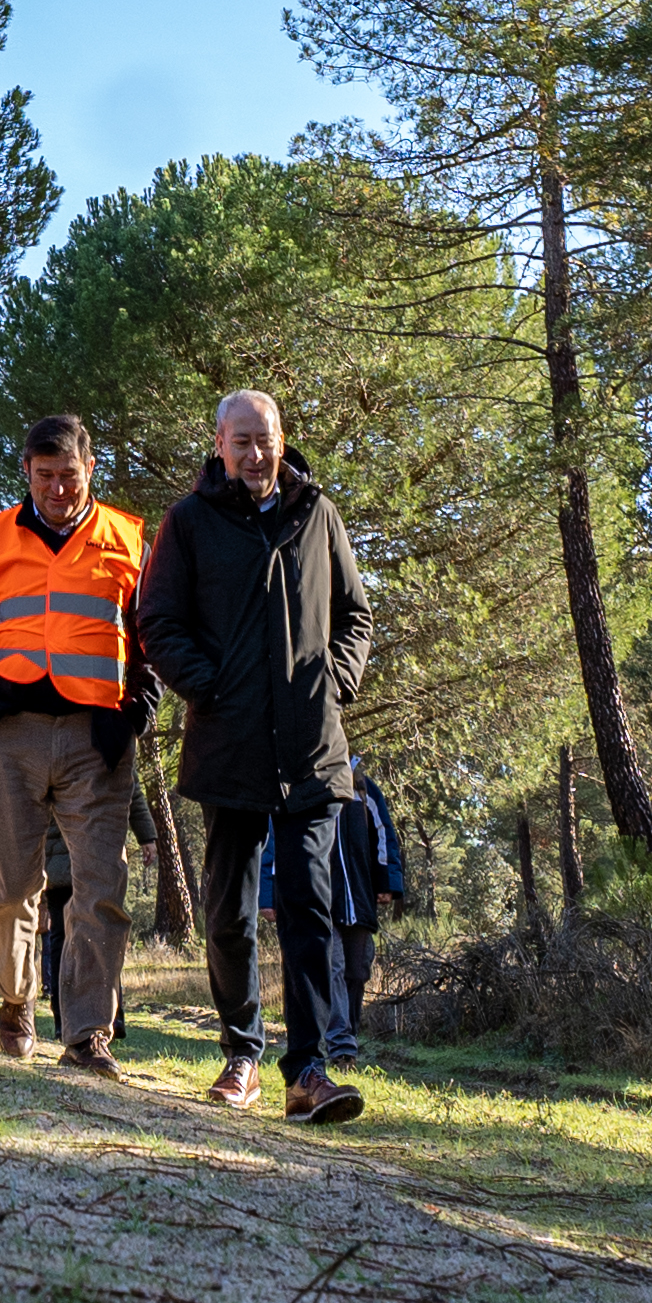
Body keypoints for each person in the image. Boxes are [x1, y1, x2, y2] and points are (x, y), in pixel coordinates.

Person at [136, 386, 376, 1124]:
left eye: (263, 438)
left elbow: (356, 614)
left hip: (311, 748)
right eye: (238, 440)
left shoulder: (318, 514)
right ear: (218, 445)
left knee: (309, 904)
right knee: (230, 911)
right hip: (229, 743)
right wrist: (208, 689)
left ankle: (307, 1070)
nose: (253, 452)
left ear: (281, 439)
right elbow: (157, 621)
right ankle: (242, 1052)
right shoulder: (190, 522)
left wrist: (333, 682)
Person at [0, 411, 151, 1075]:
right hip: (11, 736)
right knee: (9, 889)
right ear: (26, 474)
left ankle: (88, 1033)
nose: (58, 488)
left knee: (100, 889)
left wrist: (136, 712)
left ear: (90, 469)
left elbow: (153, 633)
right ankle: (16, 999)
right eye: (45, 476)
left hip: (99, 739)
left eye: (69, 474)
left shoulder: (126, 538)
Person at [317, 767, 406, 1048]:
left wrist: (387, 883)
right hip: (320, 898)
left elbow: (384, 837)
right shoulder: (307, 780)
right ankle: (340, 1042)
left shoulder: (364, 788)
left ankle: (349, 1035)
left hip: (360, 897)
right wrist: (270, 896)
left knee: (357, 971)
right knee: (333, 966)